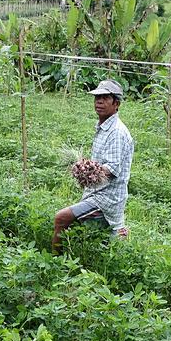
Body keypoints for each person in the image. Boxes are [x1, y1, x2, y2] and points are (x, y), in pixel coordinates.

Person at [52, 79, 134, 254]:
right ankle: (118, 234)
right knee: (97, 232)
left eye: (105, 98)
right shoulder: (104, 127)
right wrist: (86, 167)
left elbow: (112, 170)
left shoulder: (117, 132)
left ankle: (54, 262)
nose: (99, 101)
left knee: (61, 218)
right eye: (97, 97)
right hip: (97, 191)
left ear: (116, 104)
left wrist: (88, 171)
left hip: (107, 196)